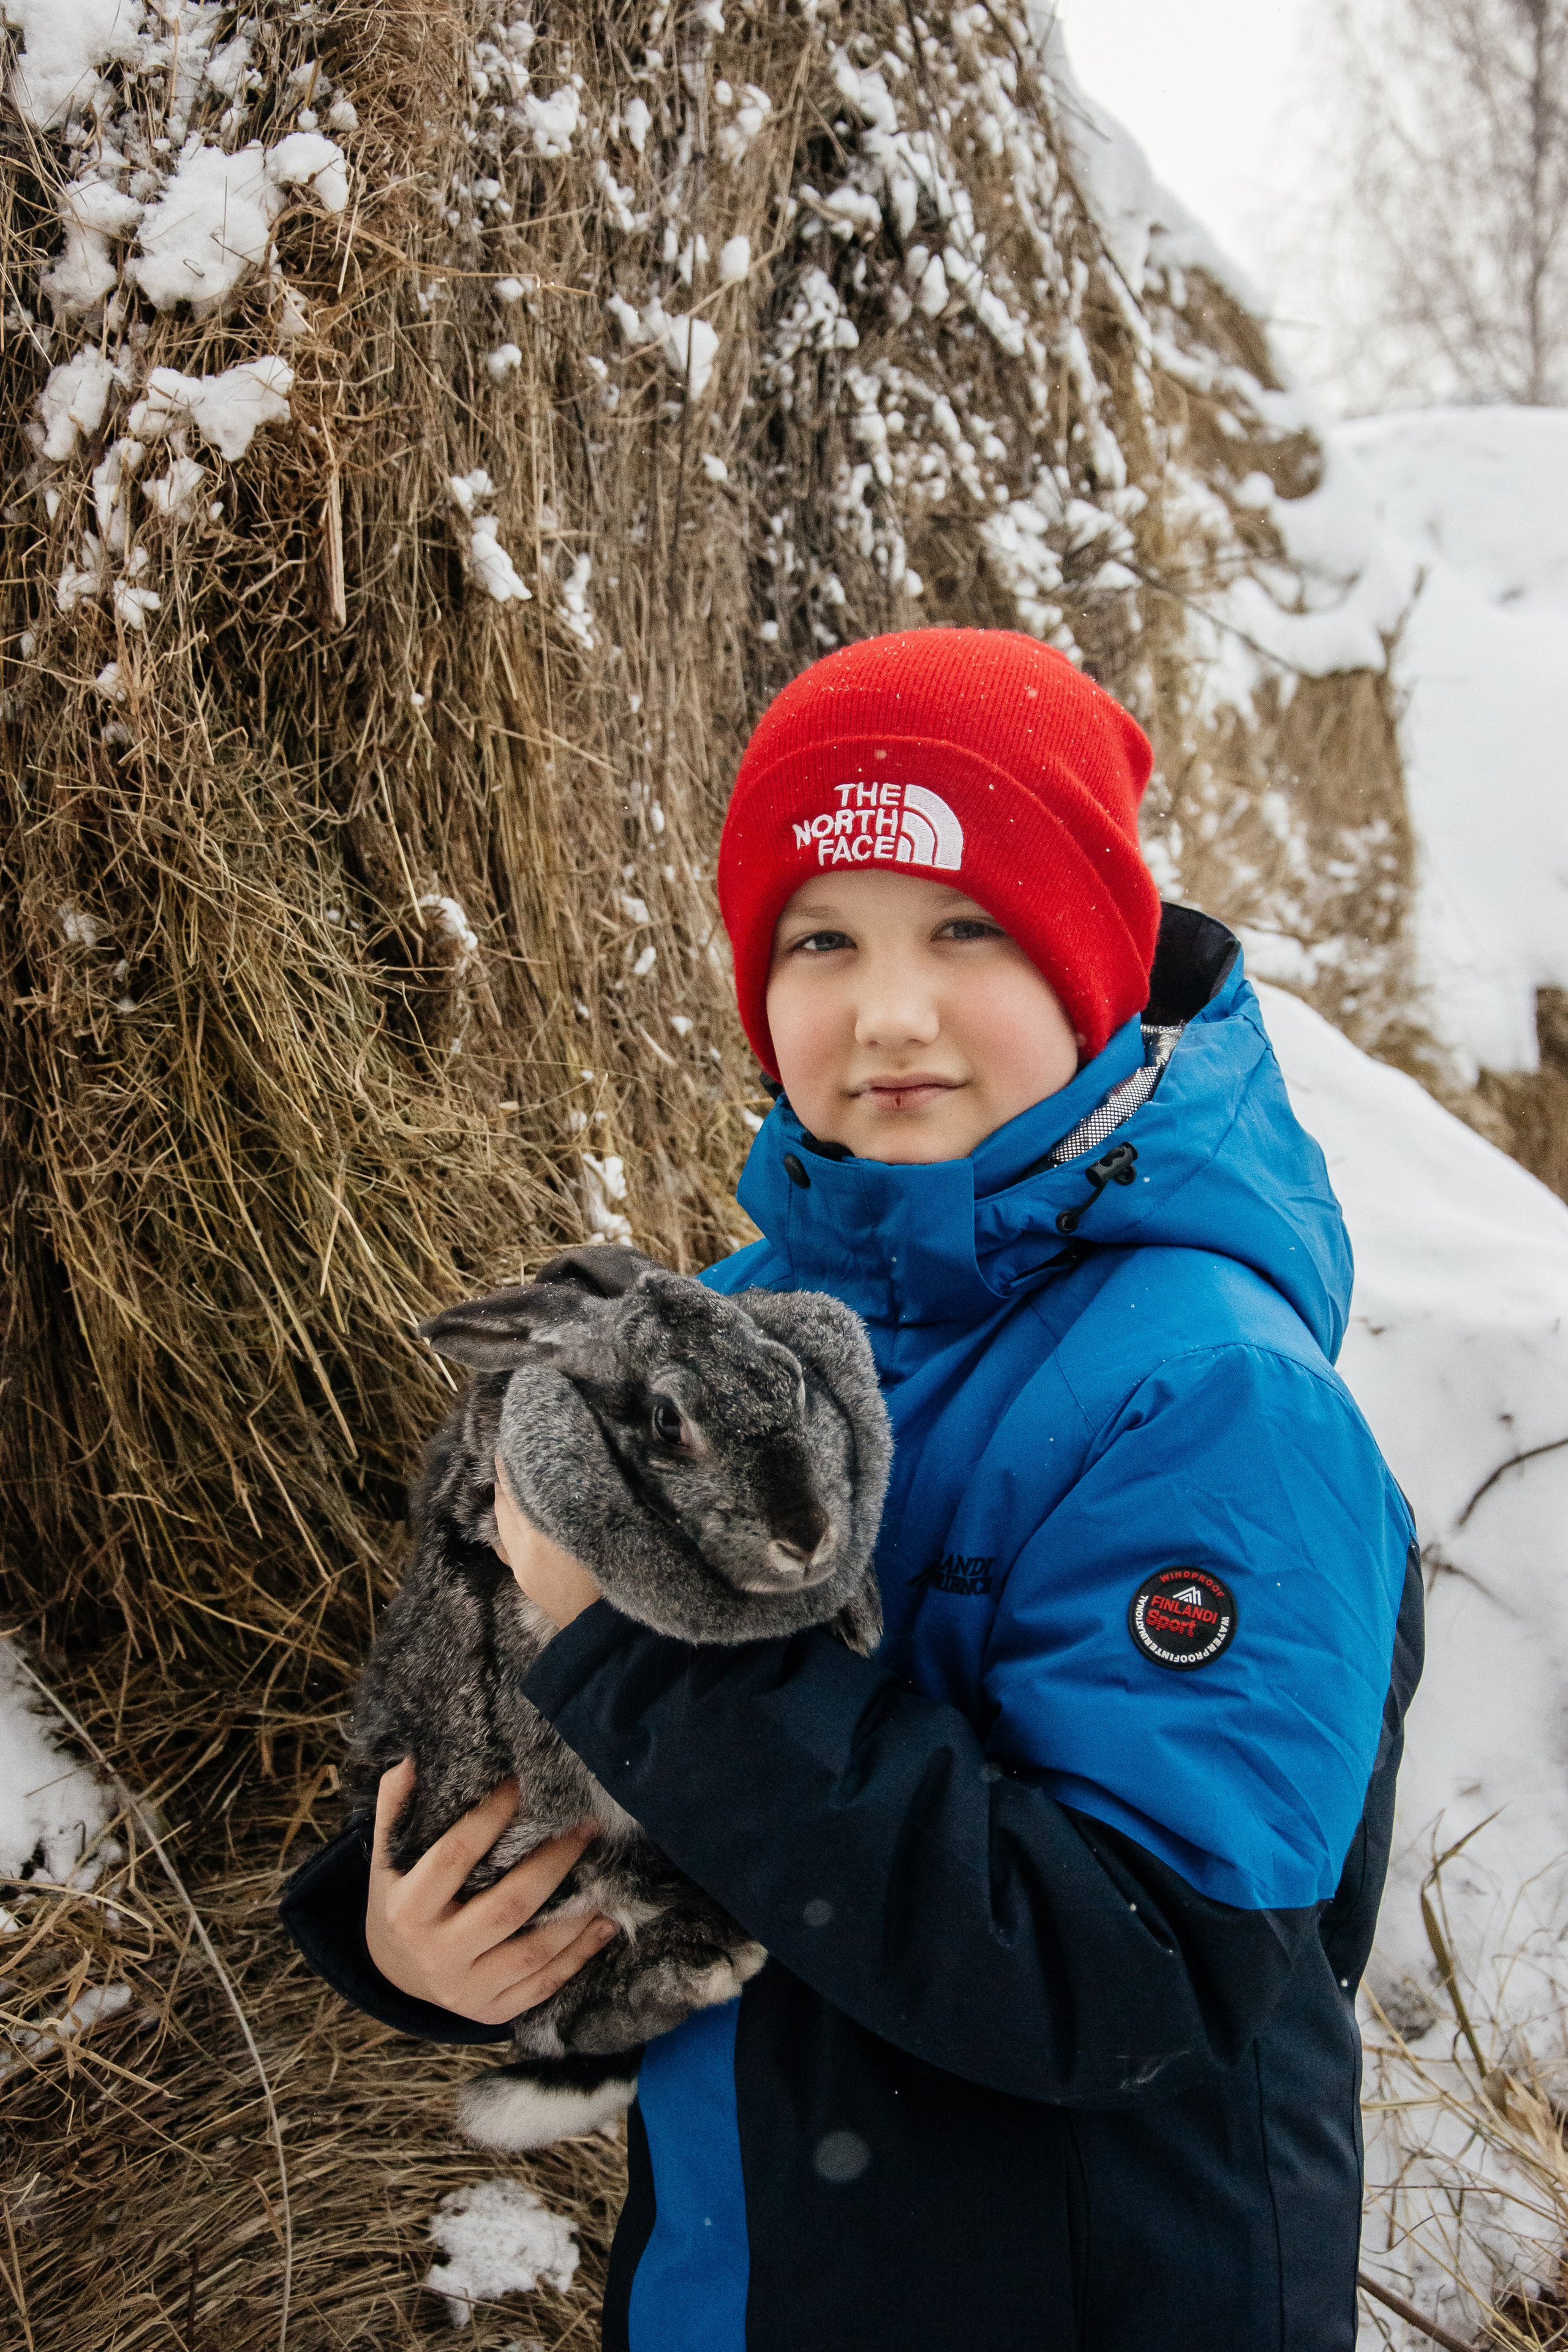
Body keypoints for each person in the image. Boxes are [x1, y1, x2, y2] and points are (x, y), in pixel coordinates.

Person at [283, 628, 1422, 2352]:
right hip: (736, 2290)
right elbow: (549, 1739)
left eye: (967, 928)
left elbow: (1135, 1974)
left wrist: (644, 1658)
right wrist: (404, 1934)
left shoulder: (1213, 1401)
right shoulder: (726, 1331)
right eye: (822, 939)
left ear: (1093, 958)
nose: (889, 1012)